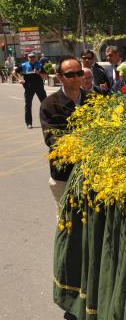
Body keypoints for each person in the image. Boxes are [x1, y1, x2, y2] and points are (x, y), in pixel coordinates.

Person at [40, 56, 87, 206]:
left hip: (92, 173)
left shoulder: (93, 99)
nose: (75, 78)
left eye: (79, 73)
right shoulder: (50, 104)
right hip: (64, 176)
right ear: (60, 77)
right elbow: (52, 139)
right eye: (70, 75)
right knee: (67, 224)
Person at [12, 52, 48, 128]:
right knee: (28, 105)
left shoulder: (40, 65)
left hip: (39, 87)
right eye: (30, 57)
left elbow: (46, 76)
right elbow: (14, 72)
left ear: (35, 57)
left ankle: (47, 121)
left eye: (33, 57)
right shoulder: (24, 65)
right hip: (28, 87)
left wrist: (39, 73)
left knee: (45, 103)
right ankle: (29, 123)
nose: (32, 59)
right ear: (28, 58)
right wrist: (19, 79)